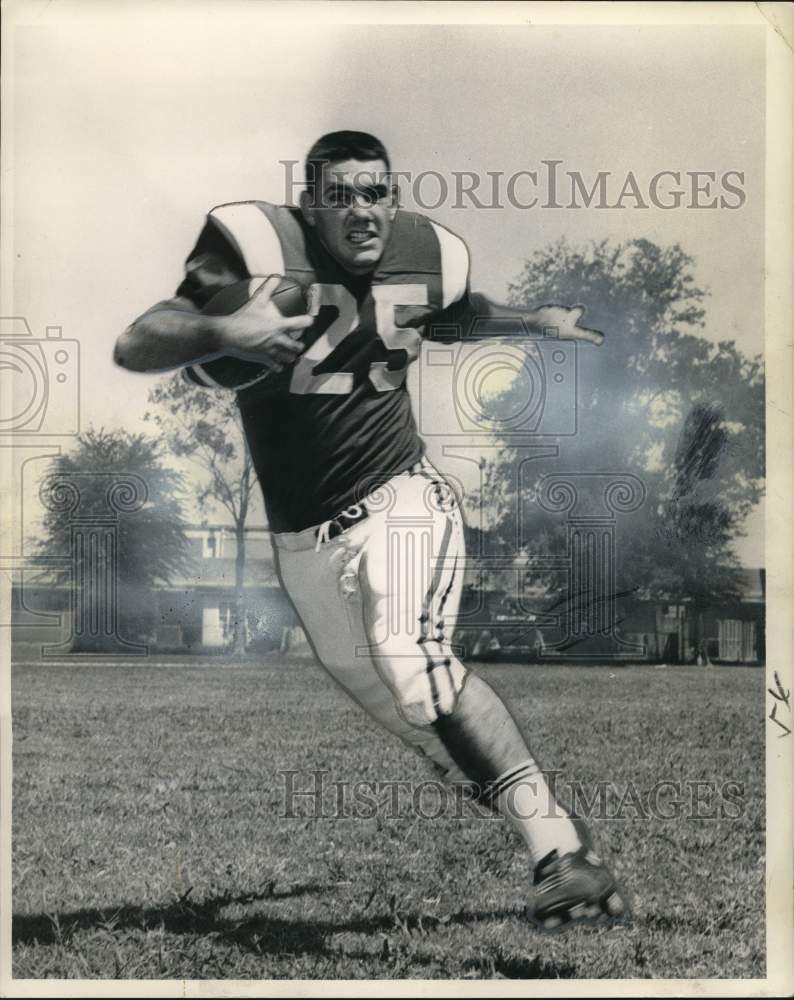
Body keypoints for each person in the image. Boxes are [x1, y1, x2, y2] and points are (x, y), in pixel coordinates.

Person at [115, 130, 628, 931]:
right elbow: (137, 337)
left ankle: (557, 863)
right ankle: (569, 849)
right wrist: (222, 331)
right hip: (302, 546)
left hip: (401, 499)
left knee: (412, 661)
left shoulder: (426, 252)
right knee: (417, 719)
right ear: (310, 202)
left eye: (377, 192)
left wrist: (536, 320)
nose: (363, 210)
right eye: (342, 195)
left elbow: (458, 316)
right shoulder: (259, 249)